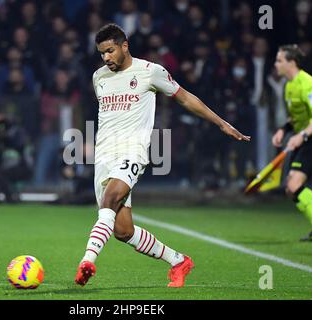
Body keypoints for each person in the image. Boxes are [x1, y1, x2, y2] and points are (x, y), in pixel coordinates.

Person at [75, 24, 250, 288]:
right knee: (123, 231)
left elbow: (185, 98)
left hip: (133, 152)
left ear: (125, 46)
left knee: (110, 199)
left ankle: (87, 261)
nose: (106, 58)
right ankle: (178, 261)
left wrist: (222, 123)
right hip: (103, 157)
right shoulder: (99, 76)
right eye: (102, 53)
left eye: (110, 51)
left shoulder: (150, 72)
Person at [272, 44, 312, 241]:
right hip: (303, 139)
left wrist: (303, 136)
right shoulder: (289, 85)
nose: (276, 64)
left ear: (292, 62)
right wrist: (284, 129)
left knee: (294, 183)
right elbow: (295, 118)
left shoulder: (307, 83)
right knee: (291, 188)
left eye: (280, 60)